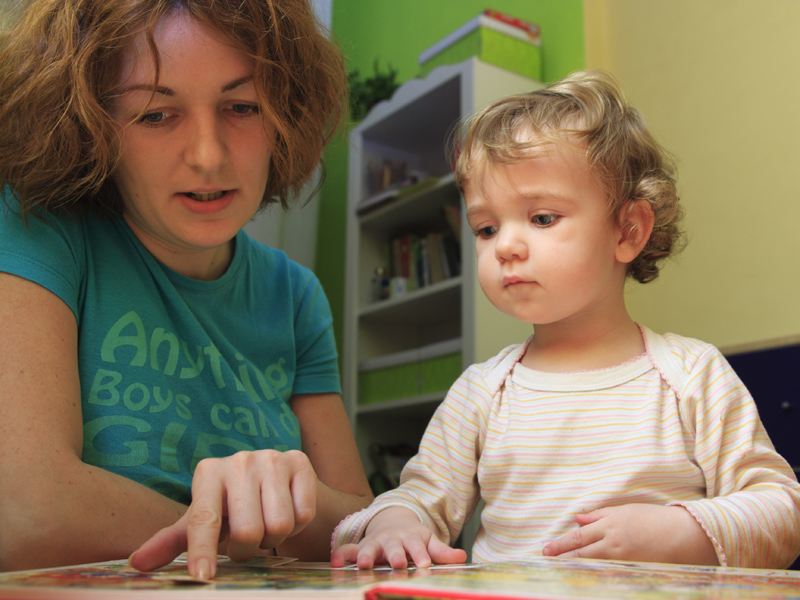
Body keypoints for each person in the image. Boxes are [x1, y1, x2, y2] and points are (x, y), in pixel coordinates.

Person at [330, 70, 800, 570]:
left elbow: (781, 510)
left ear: (628, 230)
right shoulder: (480, 393)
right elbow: (419, 498)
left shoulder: (692, 374)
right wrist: (396, 523)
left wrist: (683, 530)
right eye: (486, 228)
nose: (505, 246)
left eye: (542, 218)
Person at [0, 0, 373, 579]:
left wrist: (299, 498)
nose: (208, 155)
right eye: (155, 114)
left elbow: (361, 527)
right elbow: (24, 512)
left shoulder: (296, 295)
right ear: (90, 125)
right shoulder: (37, 228)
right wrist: (230, 528)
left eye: (243, 106)